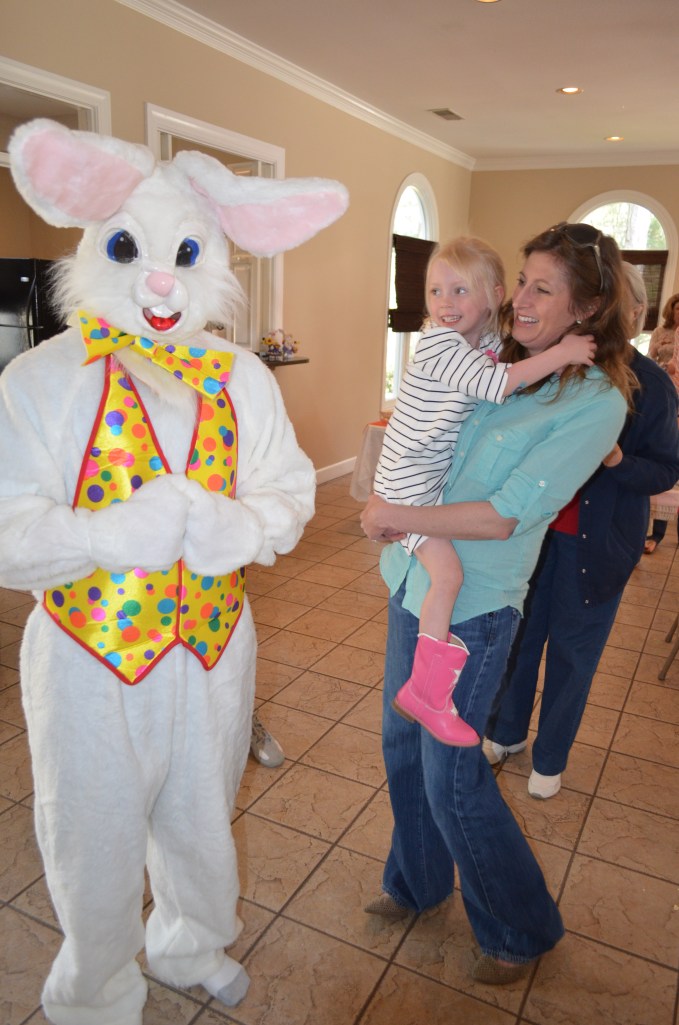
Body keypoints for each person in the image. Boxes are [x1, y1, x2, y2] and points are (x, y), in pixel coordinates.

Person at [360, 221, 634, 984]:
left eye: (542, 288)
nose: (519, 298)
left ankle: (519, 926)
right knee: (399, 745)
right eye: (520, 279)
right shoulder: (501, 358)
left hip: (475, 606)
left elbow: (506, 513)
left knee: (452, 777)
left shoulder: (593, 402)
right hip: (413, 580)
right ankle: (416, 884)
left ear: (584, 309)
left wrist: (392, 513)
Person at [373, 237, 595, 747]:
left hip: (423, 482)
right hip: (408, 483)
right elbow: (501, 384)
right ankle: (426, 693)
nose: (445, 302)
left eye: (459, 290)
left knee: (443, 575)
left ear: (494, 295)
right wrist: (563, 351)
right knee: (446, 575)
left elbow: (502, 360)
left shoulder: (481, 342)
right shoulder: (439, 343)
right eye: (435, 291)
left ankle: (424, 687)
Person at [484, 262, 679, 797]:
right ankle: (507, 733)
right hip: (532, 538)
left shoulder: (651, 385)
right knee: (519, 641)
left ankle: (550, 757)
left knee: (573, 655)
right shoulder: (554, 366)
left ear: (630, 312)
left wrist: (616, 459)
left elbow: (666, 469)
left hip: (598, 548)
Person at [644, 290, 679, 552]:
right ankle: (652, 535)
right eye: (677, 308)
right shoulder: (660, 332)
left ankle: (666, 535)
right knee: (661, 459)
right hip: (663, 396)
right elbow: (649, 359)